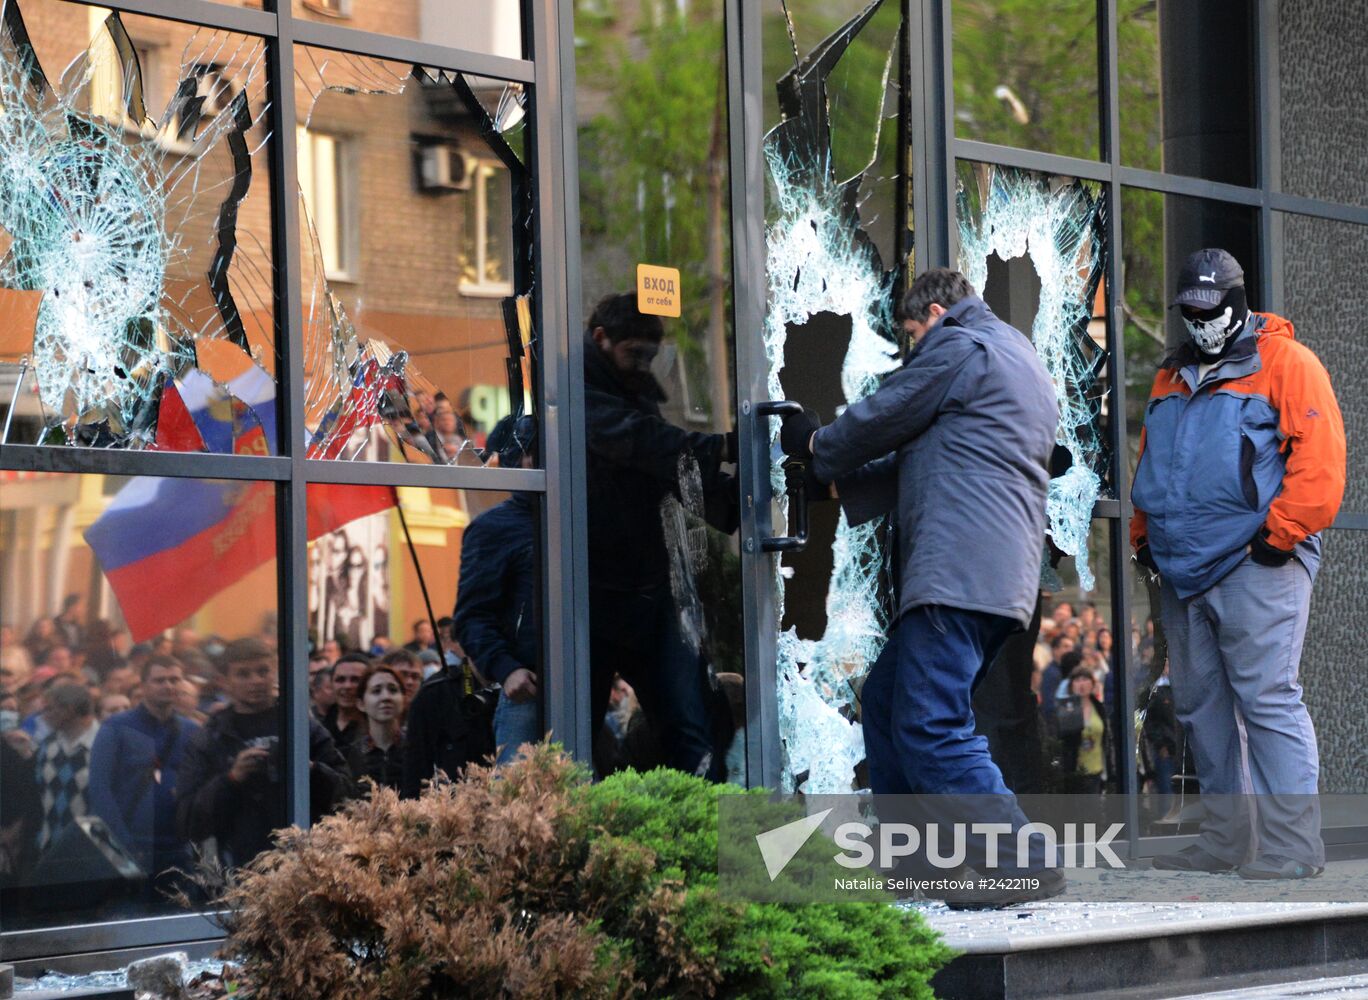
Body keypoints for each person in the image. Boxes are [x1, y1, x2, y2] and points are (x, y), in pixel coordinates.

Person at [779, 267, 1062, 904]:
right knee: (886, 701)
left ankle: (1024, 859)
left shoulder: (963, 346)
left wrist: (819, 441)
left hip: (957, 575)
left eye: (911, 334)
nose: (912, 348)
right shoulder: (1015, 359)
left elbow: (890, 411)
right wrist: (832, 483)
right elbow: (928, 453)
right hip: (992, 579)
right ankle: (922, 863)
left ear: (934, 314)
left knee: (932, 723)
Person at [1131, 248, 1345, 880]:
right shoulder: (1171, 374)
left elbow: (1322, 462)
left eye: (1209, 307)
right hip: (1183, 568)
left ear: (1236, 301)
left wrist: (1279, 539)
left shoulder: (1288, 363)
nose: (1199, 320)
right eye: (1188, 310)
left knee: (1268, 699)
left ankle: (1293, 849)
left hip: (1259, 561)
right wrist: (1144, 536)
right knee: (1201, 708)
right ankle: (1227, 842)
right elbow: (1154, 462)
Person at [582, 292, 738, 780]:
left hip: (645, 587)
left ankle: (702, 831)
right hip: (594, 588)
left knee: (693, 725)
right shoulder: (575, 392)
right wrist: (726, 450)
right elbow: (649, 447)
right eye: (635, 353)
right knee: (577, 736)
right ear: (600, 339)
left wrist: (732, 489)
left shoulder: (631, 390)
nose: (643, 365)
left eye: (651, 356)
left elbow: (663, 462)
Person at [176, 638, 350, 868]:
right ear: (224, 681)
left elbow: (347, 792)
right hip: (237, 866)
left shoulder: (302, 726)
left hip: (304, 861)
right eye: (243, 674)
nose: (255, 680)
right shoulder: (210, 738)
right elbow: (188, 820)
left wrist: (311, 770)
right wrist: (231, 779)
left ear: (275, 671)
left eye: (263, 671)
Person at [453, 413, 541, 766]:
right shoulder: (493, 528)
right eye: (533, 452)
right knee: (518, 809)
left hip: (586, 686)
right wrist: (506, 669)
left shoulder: (584, 517)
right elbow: (471, 616)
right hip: (528, 691)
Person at [87, 656, 200, 880]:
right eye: (159, 680)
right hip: (131, 846)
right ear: (143, 685)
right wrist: (121, 843)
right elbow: (100, 789)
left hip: (178, 849)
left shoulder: (191, 731)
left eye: (174, 680)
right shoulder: (116, 728)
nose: (168, 685)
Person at [32, 681, 100, 854]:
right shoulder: (47, 746)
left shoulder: (104, 745)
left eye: (50, 709)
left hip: (92, 849)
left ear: (69, 710)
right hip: (50, 845)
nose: (44, 715)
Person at [344, 663, 405, 792]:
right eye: (376, 691)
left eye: (393, 690)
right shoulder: (352, 755)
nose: (386, 697)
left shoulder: (417, 749)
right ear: (361, 704)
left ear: (403, 699)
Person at [1056, 664, 1110, 795]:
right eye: (1077, 680)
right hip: (1076, 771)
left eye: (1085, 679)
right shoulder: (1066, 709)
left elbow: (1107, 738)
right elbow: (1063, 740)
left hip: (1097, 771)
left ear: (1092, 684)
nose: (1081, 684)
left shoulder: (1099, 707)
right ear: (1071, 685)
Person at [323, 654, 368, 751]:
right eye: (340, 680)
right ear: (331, 684)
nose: (347, 686)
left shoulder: (377, 729)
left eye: (355, 680)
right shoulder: (318, 727)